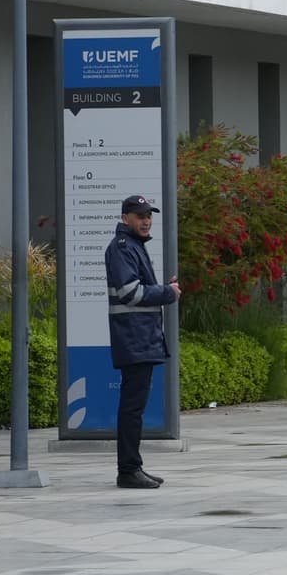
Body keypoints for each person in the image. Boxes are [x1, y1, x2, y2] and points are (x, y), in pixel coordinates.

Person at [105, 195, 180, 489]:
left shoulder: (133, 246)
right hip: (133, 338)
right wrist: (166, 292)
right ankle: (128, 470)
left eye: (149, 214)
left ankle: (133, 467)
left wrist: (164, 290)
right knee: (132, 408)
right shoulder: (122, 248)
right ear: (125, 218)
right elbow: (130, 293)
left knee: (134, 407)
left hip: (140, 338)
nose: (146, 220)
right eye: (139, 215)